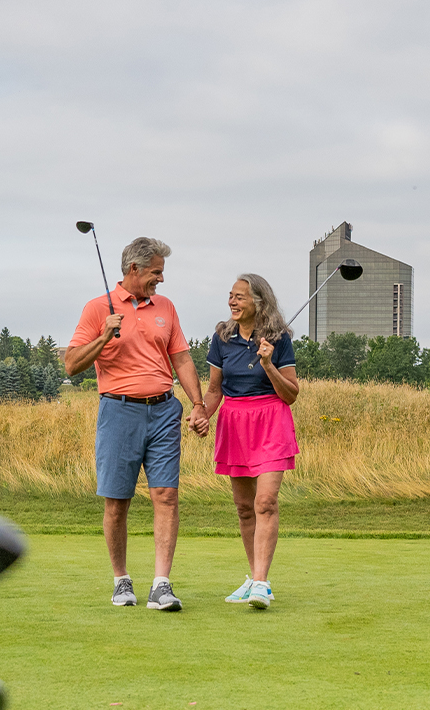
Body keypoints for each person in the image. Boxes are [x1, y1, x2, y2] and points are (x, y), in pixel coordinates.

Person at [65, 236, 209, 610]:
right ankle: (121, 580)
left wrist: (198, 404)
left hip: (163, 410)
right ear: (135, 269)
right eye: (156, 273)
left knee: (166, 494)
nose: (160, 280)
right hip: (119, 411)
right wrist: (103, 336)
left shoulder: (167, 307)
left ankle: (161, 585)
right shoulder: (98, 309)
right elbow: (72, 364)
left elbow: (182, 360)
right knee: (117, 501)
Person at [198, 274, 298, 609]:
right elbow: (215, 391)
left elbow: (291, 394)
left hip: (271, 420)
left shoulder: (278, 339)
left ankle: (261, 583)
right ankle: (253, 577)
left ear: (259, 301)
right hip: (235, 422)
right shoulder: (222, 338)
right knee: (244, 508)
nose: (233, 302)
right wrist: (202, 414)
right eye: (231, 296)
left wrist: (268, 364)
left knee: (265, 502)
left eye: (240, 296)